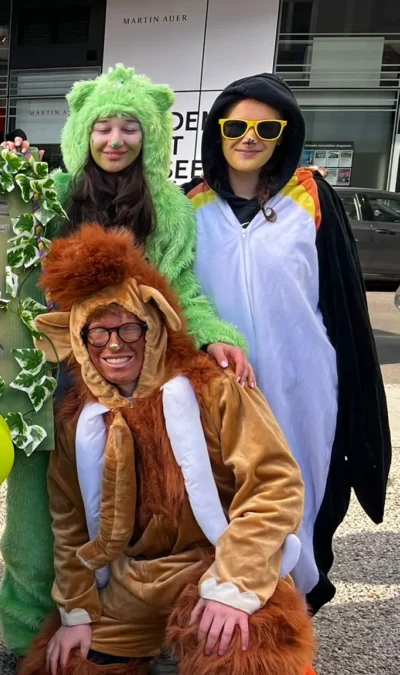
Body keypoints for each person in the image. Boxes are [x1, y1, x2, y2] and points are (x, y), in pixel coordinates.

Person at [0, 65, 252, 656]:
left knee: (133, 511)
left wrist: (212, 334)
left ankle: (128, 632)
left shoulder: (171, 209)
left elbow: (181, 287)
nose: (114, 140)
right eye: (102, 127)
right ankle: (30, 635)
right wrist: (9, 174)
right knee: (39, 514)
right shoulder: (50, 192)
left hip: (135, 381)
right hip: (50, 372)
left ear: (152, 134)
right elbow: (1, 254)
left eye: (129, 128)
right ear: (82, 130)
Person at [20, 224, 314, 675]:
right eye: (97, 333)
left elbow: (274, 485)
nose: (114, 345)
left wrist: (235, 584)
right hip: (131, 581)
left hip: (214, 560)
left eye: (128, 329)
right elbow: (71, 525)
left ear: (154, 322)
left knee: (247, 657)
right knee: (63, 664)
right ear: (77, 339)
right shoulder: (76, 421)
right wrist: (75, 611)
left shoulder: (213, 387)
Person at [185, 73, 390, 612]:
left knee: (299, 489)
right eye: (235, 125)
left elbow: (345, 302)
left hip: (303, 383)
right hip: (222, 385)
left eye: (265, 127)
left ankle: (291, 611)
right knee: (219, 492)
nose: (248, 137)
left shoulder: (313, 195)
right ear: (217, 132)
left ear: (284, 133)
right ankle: (225, 608)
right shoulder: (191, 204)